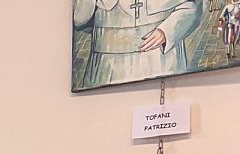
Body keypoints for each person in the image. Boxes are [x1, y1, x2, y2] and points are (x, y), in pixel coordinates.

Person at [73, 0, 202, 89]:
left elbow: (192, 8)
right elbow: (78, 19)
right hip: (108, 65)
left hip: (159, 59)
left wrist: (166, 31)